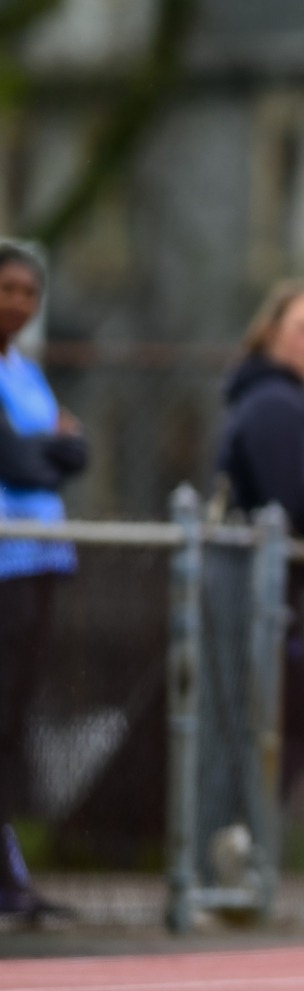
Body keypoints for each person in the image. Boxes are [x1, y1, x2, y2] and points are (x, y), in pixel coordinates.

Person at [215, 281, 304, 810]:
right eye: (303, 329)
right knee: (300, 726)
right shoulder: (275, 402)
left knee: (278, 724)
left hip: (270, 589)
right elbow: (287, 502)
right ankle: (244, 834)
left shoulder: (280, 395)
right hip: (263, 591)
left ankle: (244, 840)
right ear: (273, 332)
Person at [0, 242, 85, 920]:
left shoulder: (25, 371)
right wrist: (51, 452)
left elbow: (69, 453)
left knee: (14, 723)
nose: (20, 304)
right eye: (8, 289)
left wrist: (50, 453)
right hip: (5, 561)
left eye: (30, 292)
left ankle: (9, 873)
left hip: (40, 558)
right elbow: (24, 462)